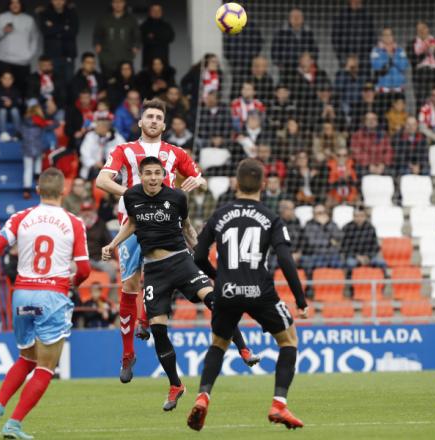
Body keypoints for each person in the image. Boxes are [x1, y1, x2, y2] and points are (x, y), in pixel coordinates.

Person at [101, 156, 257, 410]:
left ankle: (243, 349)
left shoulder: (177, 197)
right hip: (154, 271)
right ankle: (176, 385)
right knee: (159, 331)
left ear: (164, 174)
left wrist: (201, 255)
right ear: (141, 176)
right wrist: (112, 244)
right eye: (148, 173)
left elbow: (185, 227)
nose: (153, 177)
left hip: (181, 262)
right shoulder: (131, 196)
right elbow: (132, 222)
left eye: (157, 173)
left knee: (214, 300)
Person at [94, 98, 215, 381]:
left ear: (164, 124)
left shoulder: (175, 152)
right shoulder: (125, 150)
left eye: (159, 118)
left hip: (168, 223)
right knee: (130, 284)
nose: (154, 121)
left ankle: (148, 318)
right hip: (133, 223)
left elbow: (202, 180)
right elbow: (102, 180)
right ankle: (127, 354)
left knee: (169, 271)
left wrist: (198, 181)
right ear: (140, 122)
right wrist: (131, 195)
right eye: (149, 116)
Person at [187, 158, 308, 432]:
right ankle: (279, 403)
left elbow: (198, 256)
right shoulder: (271, 217)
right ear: (263, 184)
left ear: (236, 184)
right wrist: (301, 301)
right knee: (288, 341)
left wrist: (218, 277)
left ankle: (203, 396)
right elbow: (286, 260)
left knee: (218, 344)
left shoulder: (219, 215)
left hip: (227, 290)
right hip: (261, 291)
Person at [0, 168, 91, 439]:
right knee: (46, 367)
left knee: (26, 357)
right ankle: (14, 424)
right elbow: (84, 269)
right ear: (64, 191)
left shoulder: (21, 218)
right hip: (52, 295)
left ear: (37, 191)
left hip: (22, 294)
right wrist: (73, 282)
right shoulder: (73, 222)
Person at [0, 0, 40, 98]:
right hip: (4, 61)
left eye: (17, 3)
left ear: (21, 4)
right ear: (9, 5)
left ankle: (21, 113)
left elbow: (35, 38)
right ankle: (1, 113)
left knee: (22, 91)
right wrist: (3, 30)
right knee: (3, 93)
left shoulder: (29, 19)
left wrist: (29, 55)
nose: (15, 5)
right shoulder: (1, 18)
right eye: (12, 3)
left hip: (22, 62)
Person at [93, 0, 141, 79]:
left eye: (120, 2)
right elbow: (97, 34)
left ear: (124, 3)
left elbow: (137, 36)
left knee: (125, 84)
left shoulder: (131, 19)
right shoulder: (103, 18)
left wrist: (136, 46)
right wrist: (97, 44)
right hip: (107, 58)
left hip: (126, 58)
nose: (118, 5)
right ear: (112, 4)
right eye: (115, 2)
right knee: (108, 84)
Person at [271, 7, 318, 82]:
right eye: (294, 17)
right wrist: (280, 64)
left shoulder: (308, 32)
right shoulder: (281, 33)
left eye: (298, 16)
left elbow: (315, 50)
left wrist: (310, 61)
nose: (296, 19)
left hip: (304, 69)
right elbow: (274, 50)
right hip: (286, 70)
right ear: (289, 19)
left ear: (303, 19)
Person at [37, 0, 79, 83]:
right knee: (53, 83)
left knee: (69, 83)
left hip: (68, 54)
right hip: (52, 55)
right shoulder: (45, 13)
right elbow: (45, 32)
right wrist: (64, 27)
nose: (58, 2)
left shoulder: (72, 12)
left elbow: (73, 32)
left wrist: (53, 26)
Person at [407, 21, 435, 108]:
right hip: (420, 74)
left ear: (428, 29)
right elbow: (413, 61)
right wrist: (426, 51)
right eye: (419, 29)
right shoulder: (412, 43)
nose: (422, 31)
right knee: (421, 101)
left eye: (423, 28)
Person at [20, 103, 57, 198]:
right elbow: (53, 126)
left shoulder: (24, 122)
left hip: (27, 147)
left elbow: (20, 134)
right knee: (38, 163)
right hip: (38, 147)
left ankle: (26, 190)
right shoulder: (40, 121)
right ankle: (38, 182)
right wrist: (54, 119)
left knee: (27, 169)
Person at [332, 0, 376, 77]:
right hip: (346, 62)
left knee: (365, 85)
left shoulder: (367, 16)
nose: (355, 2)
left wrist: (362, 59)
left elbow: (372, 38)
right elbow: (335, 39)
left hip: (363, 62)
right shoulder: (341, 16)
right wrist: (344, 59)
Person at [370, 28, 408, 116]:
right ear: (381, 37)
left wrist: (392, 56)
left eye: (389, 35)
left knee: (399, 117)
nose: (387, 37)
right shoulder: (376, 50)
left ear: (393, 37)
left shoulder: (400, 50)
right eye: (385, 35)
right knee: (382, 116)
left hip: (398, 90)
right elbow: (376, 65)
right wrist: (387, 55)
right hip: (382, 91)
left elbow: (403, 65)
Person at [79, 110, 125, 179]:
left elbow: (124, 155)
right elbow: (84, 154)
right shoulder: (90, 136)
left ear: (106, 127)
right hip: (92, 170)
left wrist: (109, 166)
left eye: (98, 125)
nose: (95, 127)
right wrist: (95, 163)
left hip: (112, 172)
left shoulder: (117, 138)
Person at [300, 204, 343, 276]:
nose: (322, 215)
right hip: (316, 254)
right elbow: (312, 242)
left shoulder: (331, 223)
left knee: (337, 262)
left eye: (323, 212)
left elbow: (338, 238)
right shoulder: (309, 225)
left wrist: (325, 226)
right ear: (314, 214)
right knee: (319, 263)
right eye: (319, 213)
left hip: (331, 253)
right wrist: (329, 242)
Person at [340, 206, 384, 271]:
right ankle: (349, 280)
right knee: (350, 263)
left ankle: (386, 279)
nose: (359, 218)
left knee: (381, 263)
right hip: (353, 257)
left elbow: (375, 246)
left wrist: (368, 256)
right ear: (353, 216)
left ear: (365, 216)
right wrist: (357, 257)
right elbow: (344, 247)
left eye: (361, 216)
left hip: (369, 257)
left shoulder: (370, 228)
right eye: (356, 216)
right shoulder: (347, 228)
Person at [350, 112, 394, 177]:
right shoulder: (357, 135)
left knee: (392, 172)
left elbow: (389, 151)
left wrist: (383, 164)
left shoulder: (384, 134)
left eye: (374, 119)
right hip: (364, 166)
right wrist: (369, 165)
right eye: (369, 119)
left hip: (382, 166)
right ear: (364, 122)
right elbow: (357, 153)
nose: (371, 121)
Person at [26, 55, 66, 120]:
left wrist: (56, 106)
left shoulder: (58, 78)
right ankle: (33, 127)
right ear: (39, 66)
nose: (47, 67)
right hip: (39, 103)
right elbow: (30, 94)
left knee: (61, 114)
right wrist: (46, 101)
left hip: (54, 104)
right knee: (32, 102)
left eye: (48, 65)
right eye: (44, 65)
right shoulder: (32, 78)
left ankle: (55, 129)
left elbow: (63, 96)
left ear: (52, 66)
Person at [0, 71, 23, 142]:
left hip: (12, 116)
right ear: (1, 79)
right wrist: (3, 104)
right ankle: (3, 133)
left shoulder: (16, 90)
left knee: (15, 110)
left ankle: (18, 133)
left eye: (9, 79)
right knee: (2, 110)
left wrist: (11, 103)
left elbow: (19, 102)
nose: (7, 81)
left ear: (12, 80)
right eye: (5, 78)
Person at [140, 3, 175, 68]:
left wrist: (154, 36)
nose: (156, 12)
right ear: (150, 12)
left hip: (163, 61)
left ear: (162, 12)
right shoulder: (144, 26)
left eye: (158, 10)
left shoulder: (166, 25)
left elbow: (171, 38)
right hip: (148, 61)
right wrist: (161, 37)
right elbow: (142, 39)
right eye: (154, 10)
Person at [335, 54, 366, 126]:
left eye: (356, 62)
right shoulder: (340, 74)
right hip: (345, 104)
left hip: (358, 105)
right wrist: (347, 71)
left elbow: (363, 90)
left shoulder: (362, 76)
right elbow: (338, 88)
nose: (354, 65)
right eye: (352, 62)